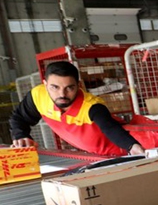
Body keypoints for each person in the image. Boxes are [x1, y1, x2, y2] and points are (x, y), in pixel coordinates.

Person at [10, 61, 144, 156]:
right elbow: (19, 118)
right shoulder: (38, 95)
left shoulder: (92, 106)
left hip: (118, 154)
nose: (62, 94)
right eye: (55, 87)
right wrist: (21, 135)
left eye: (70, 87)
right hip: (90, 155)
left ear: (79, 85)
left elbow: (110, 128)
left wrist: (131, 147)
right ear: (45, 84)